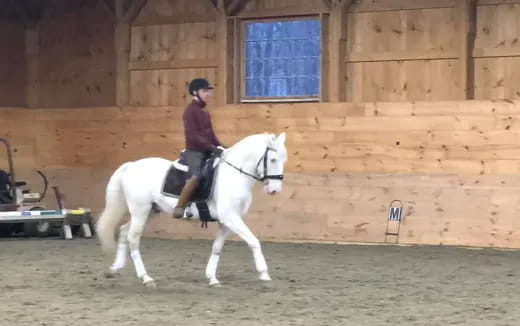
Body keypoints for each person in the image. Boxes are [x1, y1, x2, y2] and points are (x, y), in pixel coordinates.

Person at [173, 78, 224, 219]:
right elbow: (193, 136)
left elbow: (211, 133)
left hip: (208, 149)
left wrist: (221, 147)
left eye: (208, 91)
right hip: (194, 151)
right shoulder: (190, 111)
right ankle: (180, 206)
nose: (208, 94)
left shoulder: (204, 111)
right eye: (205, 91)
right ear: (195, 92)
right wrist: (211, 147)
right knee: (196, 176)